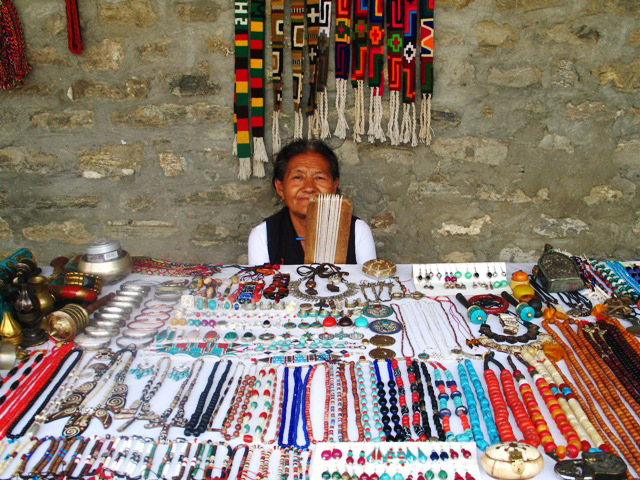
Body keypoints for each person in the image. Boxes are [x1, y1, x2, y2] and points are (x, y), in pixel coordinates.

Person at [248, 139, 377, 265]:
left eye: (319, 177)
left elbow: (369, 284)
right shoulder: (263, 235)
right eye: (297, 177)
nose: (309, 187)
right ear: (280, 188)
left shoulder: (358, 231)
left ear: (333, 186)